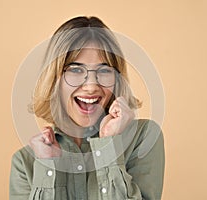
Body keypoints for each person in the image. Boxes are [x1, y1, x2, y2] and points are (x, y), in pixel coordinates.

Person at [10, 16, 165, 200]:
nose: (91, 86)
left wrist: (108, 145)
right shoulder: (26, 161)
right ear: (55, 80)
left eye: (104, 70)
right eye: (75, 70)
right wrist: (48, 167)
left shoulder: (144, 138)